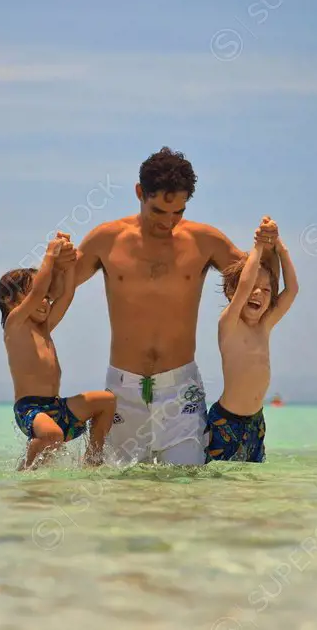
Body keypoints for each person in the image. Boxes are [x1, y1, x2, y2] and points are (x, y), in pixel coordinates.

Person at [66, 147, 278, 465]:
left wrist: (270, 246)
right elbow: (58, 291)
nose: (169, 222)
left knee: (186, 490)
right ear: (140, 193)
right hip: (123, 390)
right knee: (118, 495)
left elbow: (263, 280)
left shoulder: (204, 241)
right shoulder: (106, 240)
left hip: (181, 391)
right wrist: (57, 260)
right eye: (159, 211)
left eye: (178, 211)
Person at [0, 233, 117, 470]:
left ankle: (93, 460)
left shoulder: (44, 328)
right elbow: (38, 290)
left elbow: (67, 295)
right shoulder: (16, 324)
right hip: (30, 409)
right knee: (51, 434)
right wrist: (50, 255)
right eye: (36, 296)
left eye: (46, 298)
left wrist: (69, 266)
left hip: (56, 406)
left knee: (106, 401)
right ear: (10, 301)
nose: (44, 301)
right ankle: (24, 473)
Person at [207, 216, 298, 462]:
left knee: (253, 489)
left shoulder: (264, 326)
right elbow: (244, 286)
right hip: (226, 422)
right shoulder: (230, 323)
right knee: (219, 483)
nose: (258, 292)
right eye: (252, 287)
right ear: (231, 292)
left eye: (267, 290)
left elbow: (291, 290)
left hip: (256, 423)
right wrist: (258, 246)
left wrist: (279, 247)